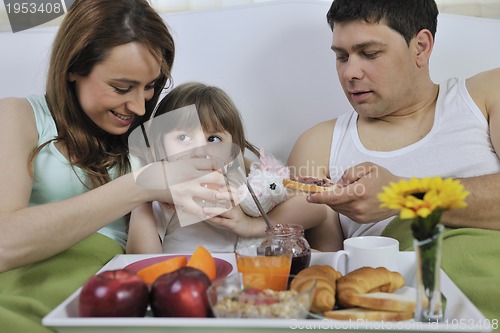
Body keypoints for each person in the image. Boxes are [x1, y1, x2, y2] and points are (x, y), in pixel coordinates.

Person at [0, 1, 224, 331]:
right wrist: (139, 185)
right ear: (73, 68)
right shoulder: (19, 117)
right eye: (121, 87)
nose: (138, 105)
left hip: (113, 298)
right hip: (25, 292)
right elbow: (5, 242)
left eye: (150, 86)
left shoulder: (153, 136)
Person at [287, 0, 500, 322]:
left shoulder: (484, 95)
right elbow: (325, 281)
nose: (350, 73)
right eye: (341, 56)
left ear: (421, 47)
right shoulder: (318, 144)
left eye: (370, 53)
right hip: (402, 309)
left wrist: (403, 195)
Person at [127, 82, 342, 254]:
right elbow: (142, 260)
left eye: (213, 138)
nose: (200, 151)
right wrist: (143, 199)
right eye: (183, 137)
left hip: (249, 284)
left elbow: (319, 210)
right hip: (190, 287)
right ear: (159, 145)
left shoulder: (245, 184)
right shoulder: (165, 198)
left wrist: (250, 224)